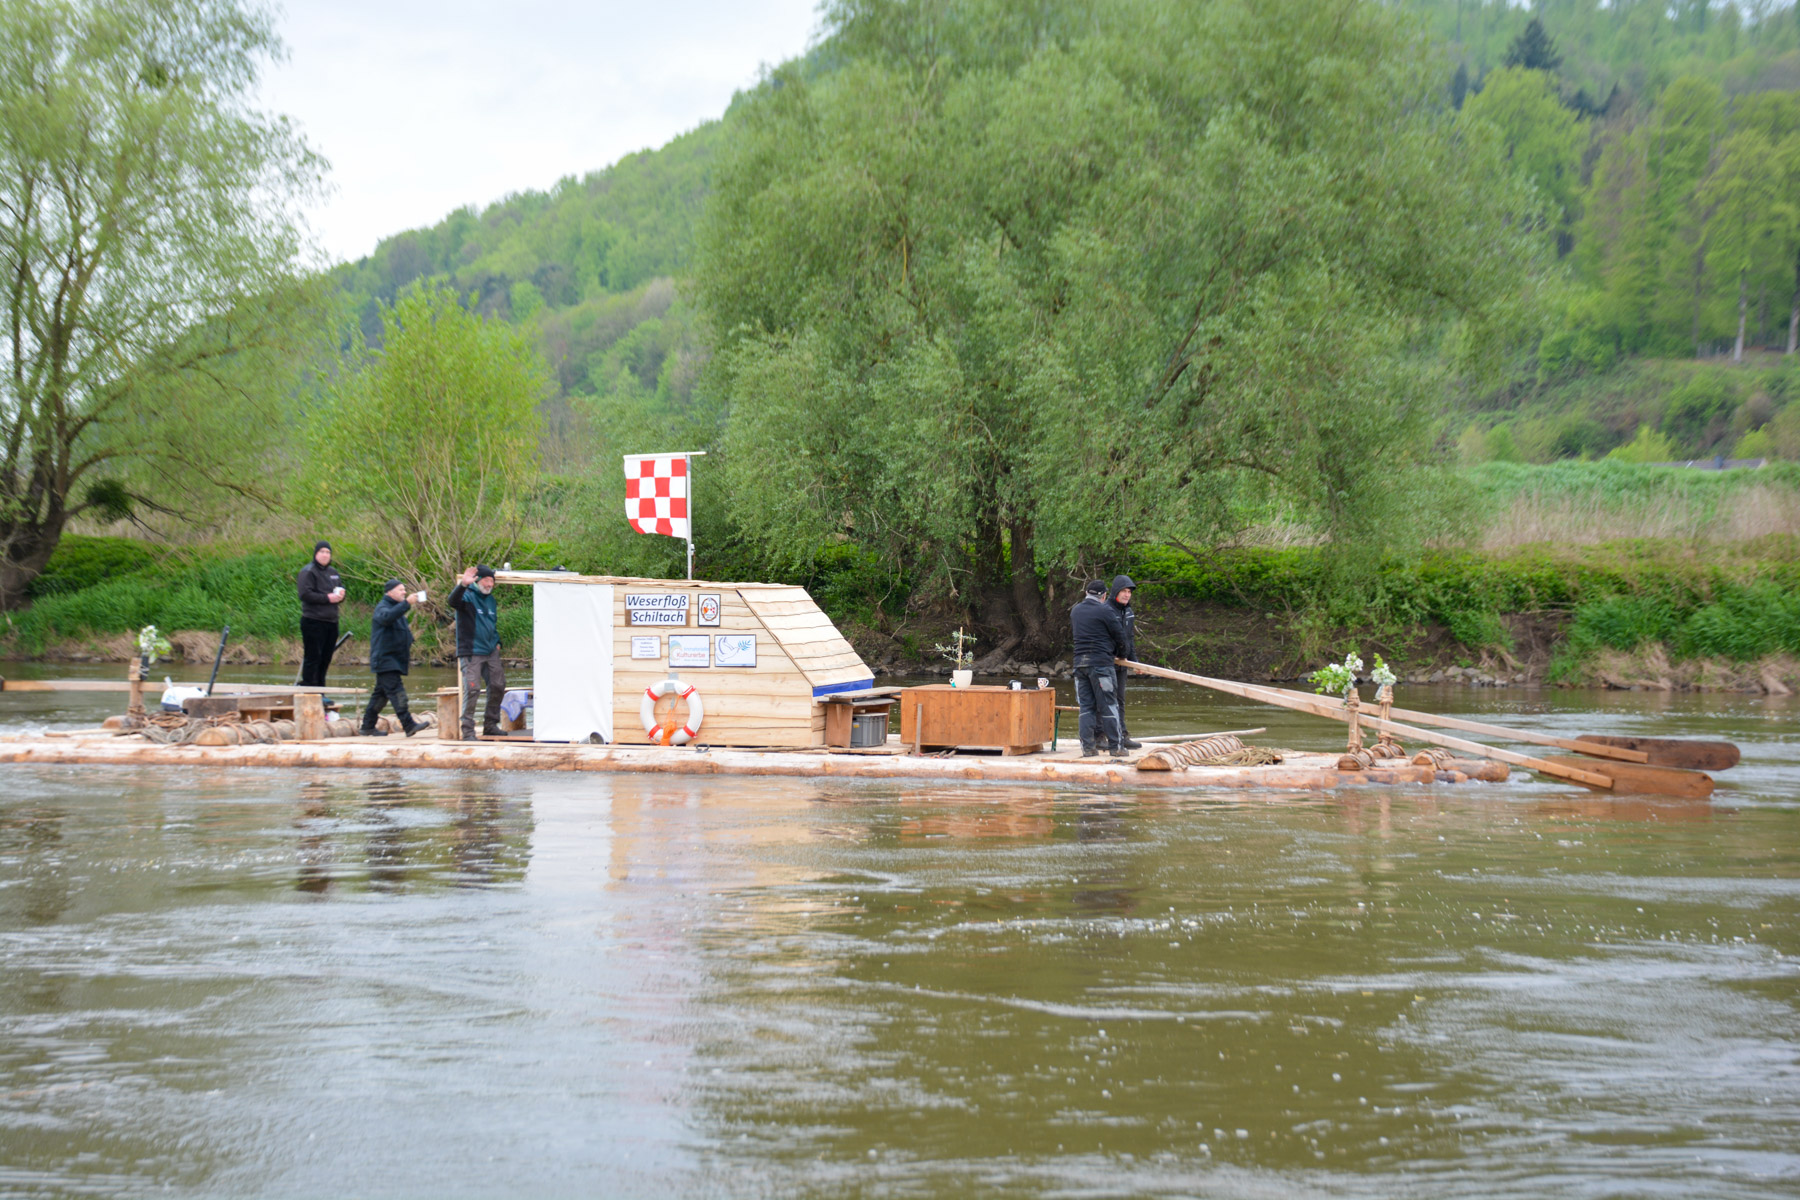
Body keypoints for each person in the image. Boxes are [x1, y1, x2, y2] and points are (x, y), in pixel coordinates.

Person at [1069, 578, 1128, 757]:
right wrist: (1122, 654)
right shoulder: (1106, 610)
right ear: (1103, 596)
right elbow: (1121, 637)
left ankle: (1088, 748)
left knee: (1086, 707)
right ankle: (1116, 748)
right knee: (1109, 704)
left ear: (1086, 593)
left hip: (1080, 665)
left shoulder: (1075, 611)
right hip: (1101, 665)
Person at [362, 579, 426, 737]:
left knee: (381, 695)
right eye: (400, 590)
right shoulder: (383, 607)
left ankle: (367, 726)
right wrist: (407, 604)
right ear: (389, 592)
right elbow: (386, 618)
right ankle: (408, 724)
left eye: (404, 590)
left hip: (394, 660)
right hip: (385, 660)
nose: (404, 592)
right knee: (398, 692)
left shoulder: (397, 609)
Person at [448, 564, 505, 738]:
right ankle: (467, 731)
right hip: (472, 651)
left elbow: (491, 625)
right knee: (472, 689)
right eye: (487, 581)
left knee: (498, 685)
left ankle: (490, 725)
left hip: (490, 651)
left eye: (492, 582)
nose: (490, 585)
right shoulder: (467, 596)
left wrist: (497, 642)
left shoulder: (491, 600)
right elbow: (452, 602)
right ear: (478, 580)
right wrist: (463, 584)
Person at [296, 540, 345, 686]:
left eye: (328, 552)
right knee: (313, 657)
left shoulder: (333, 573)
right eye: (322, 552)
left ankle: (320, 689)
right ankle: (310, 688)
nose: (325, 555)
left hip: (331, 621)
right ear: (316, 553)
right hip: (313, 620)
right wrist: (327, 598)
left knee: (326, 658)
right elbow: (304, 594)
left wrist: (341, 596)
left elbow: (340, 590)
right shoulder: (308, 571)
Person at [1107, 574, 1143, 751]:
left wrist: (1134, 662)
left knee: (1120, 700)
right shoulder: (1106, 610)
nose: (1127, 595)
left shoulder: (1129, 612)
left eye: (1129, 592)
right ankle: (1103, 737)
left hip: (1123, 663)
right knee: (1107, 700)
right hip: (1106, 663)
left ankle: (1123, 736)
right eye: (1124, 591)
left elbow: (1130, 639)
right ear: (1116, 592)